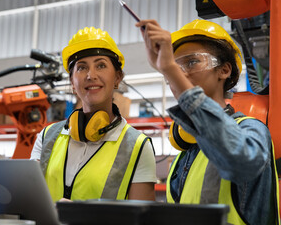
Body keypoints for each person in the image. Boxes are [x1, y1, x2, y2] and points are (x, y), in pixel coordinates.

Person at [136, 19, 280, 224]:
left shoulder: (252, 130)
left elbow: (239, 163)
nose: (181, 73)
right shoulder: (183, 156)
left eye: (192, 62)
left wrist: (170, 69)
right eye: (176, 67)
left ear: (224, 70)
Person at [30, 26, 157, 202]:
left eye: (101, 65)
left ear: (117, 78)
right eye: (81, 67)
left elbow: (143, 219)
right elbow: (30, 201)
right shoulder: (46, 137)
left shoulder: (137, 146)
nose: (91, 75)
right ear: (72, 82)